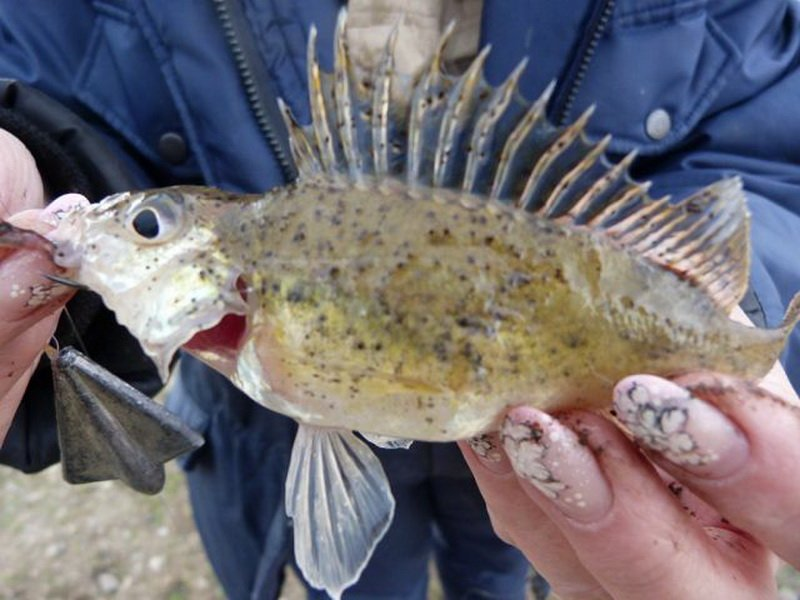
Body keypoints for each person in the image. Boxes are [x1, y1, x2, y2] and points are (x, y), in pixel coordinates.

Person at [1, 1, 800, 599]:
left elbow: (764, 134)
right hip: (270, 452)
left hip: (530, 462)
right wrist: (32, 156)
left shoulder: (269, 287)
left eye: (148, 225)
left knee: (502, 564)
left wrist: (745, 315)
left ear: (243, 286)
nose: (132, 233)